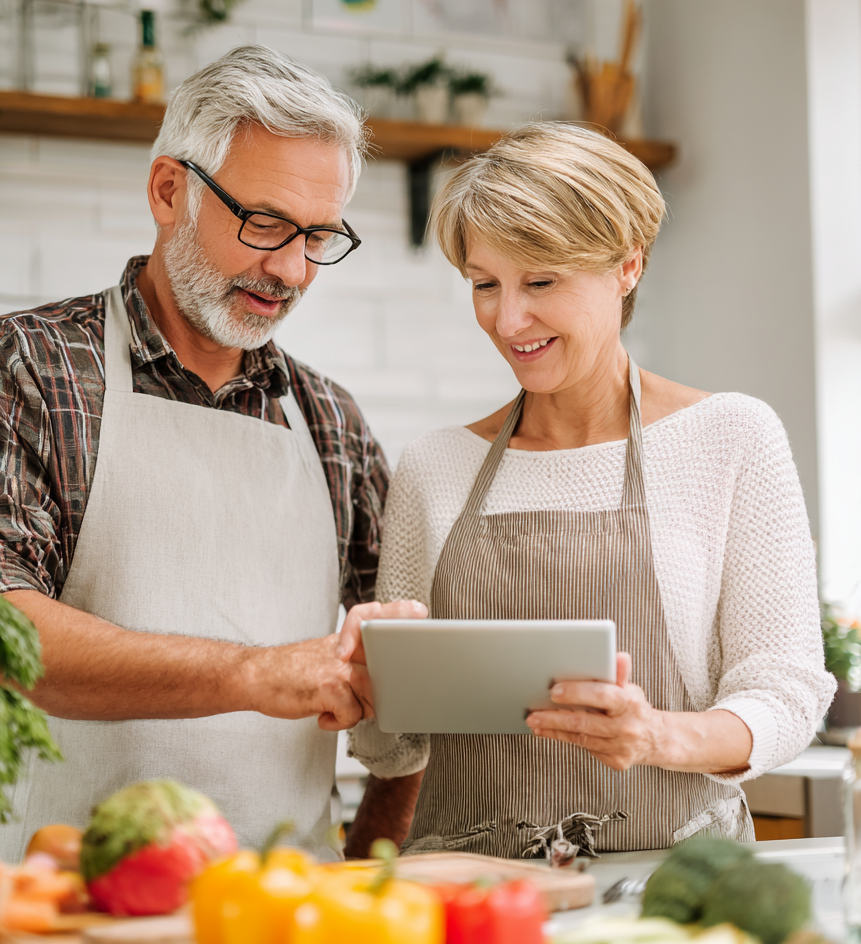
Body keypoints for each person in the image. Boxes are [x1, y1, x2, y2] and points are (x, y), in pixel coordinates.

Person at [0, 46, 424, 863]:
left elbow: (408, 677)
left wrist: (367, 866)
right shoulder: (28, 366)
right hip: (66, 904)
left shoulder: (330, 420)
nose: (289, 270)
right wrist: (253, 674)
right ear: (168, 190)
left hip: (287, 912)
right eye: (263, 223)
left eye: (318, 237)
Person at [346, 123, 835, 859]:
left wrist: (657, 734)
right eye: (485, 285)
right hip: (473, 894)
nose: (508, 320)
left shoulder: (731, 437)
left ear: (627, 267)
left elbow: (786, 692)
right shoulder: (435, 466)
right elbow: (395, 747)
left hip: (670, 888)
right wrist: (366, 683)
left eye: (540, 281)